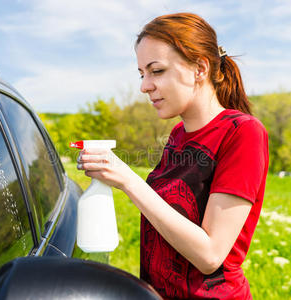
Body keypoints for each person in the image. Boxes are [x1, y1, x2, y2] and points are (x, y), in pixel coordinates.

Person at [77, 12, 269, 299]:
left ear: (200, 69)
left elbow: (210, 255)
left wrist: (128, 181)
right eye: (141, 74)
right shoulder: (178, 135)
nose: (144, 86)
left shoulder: (243, 133)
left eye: (157, 71)